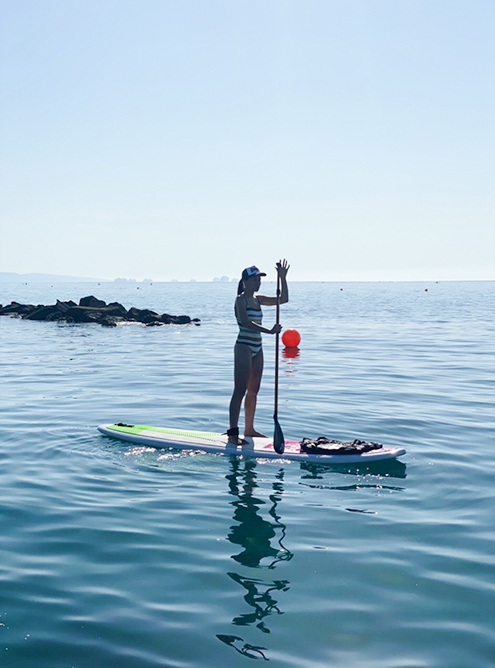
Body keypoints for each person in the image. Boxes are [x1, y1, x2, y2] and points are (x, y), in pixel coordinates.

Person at [228, 260, 290, 445]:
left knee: (254, 390)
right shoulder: (240, 300)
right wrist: (270, 331)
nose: (258, 282)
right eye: (255, 279)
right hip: (244, 347)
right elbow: (246, 323)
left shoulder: (259, 299)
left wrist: (283, 278)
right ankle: (232, 434)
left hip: (258, 347)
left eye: (259, 279)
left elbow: (283, 299)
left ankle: (249, 428)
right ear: (245, 281)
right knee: (240, 390)